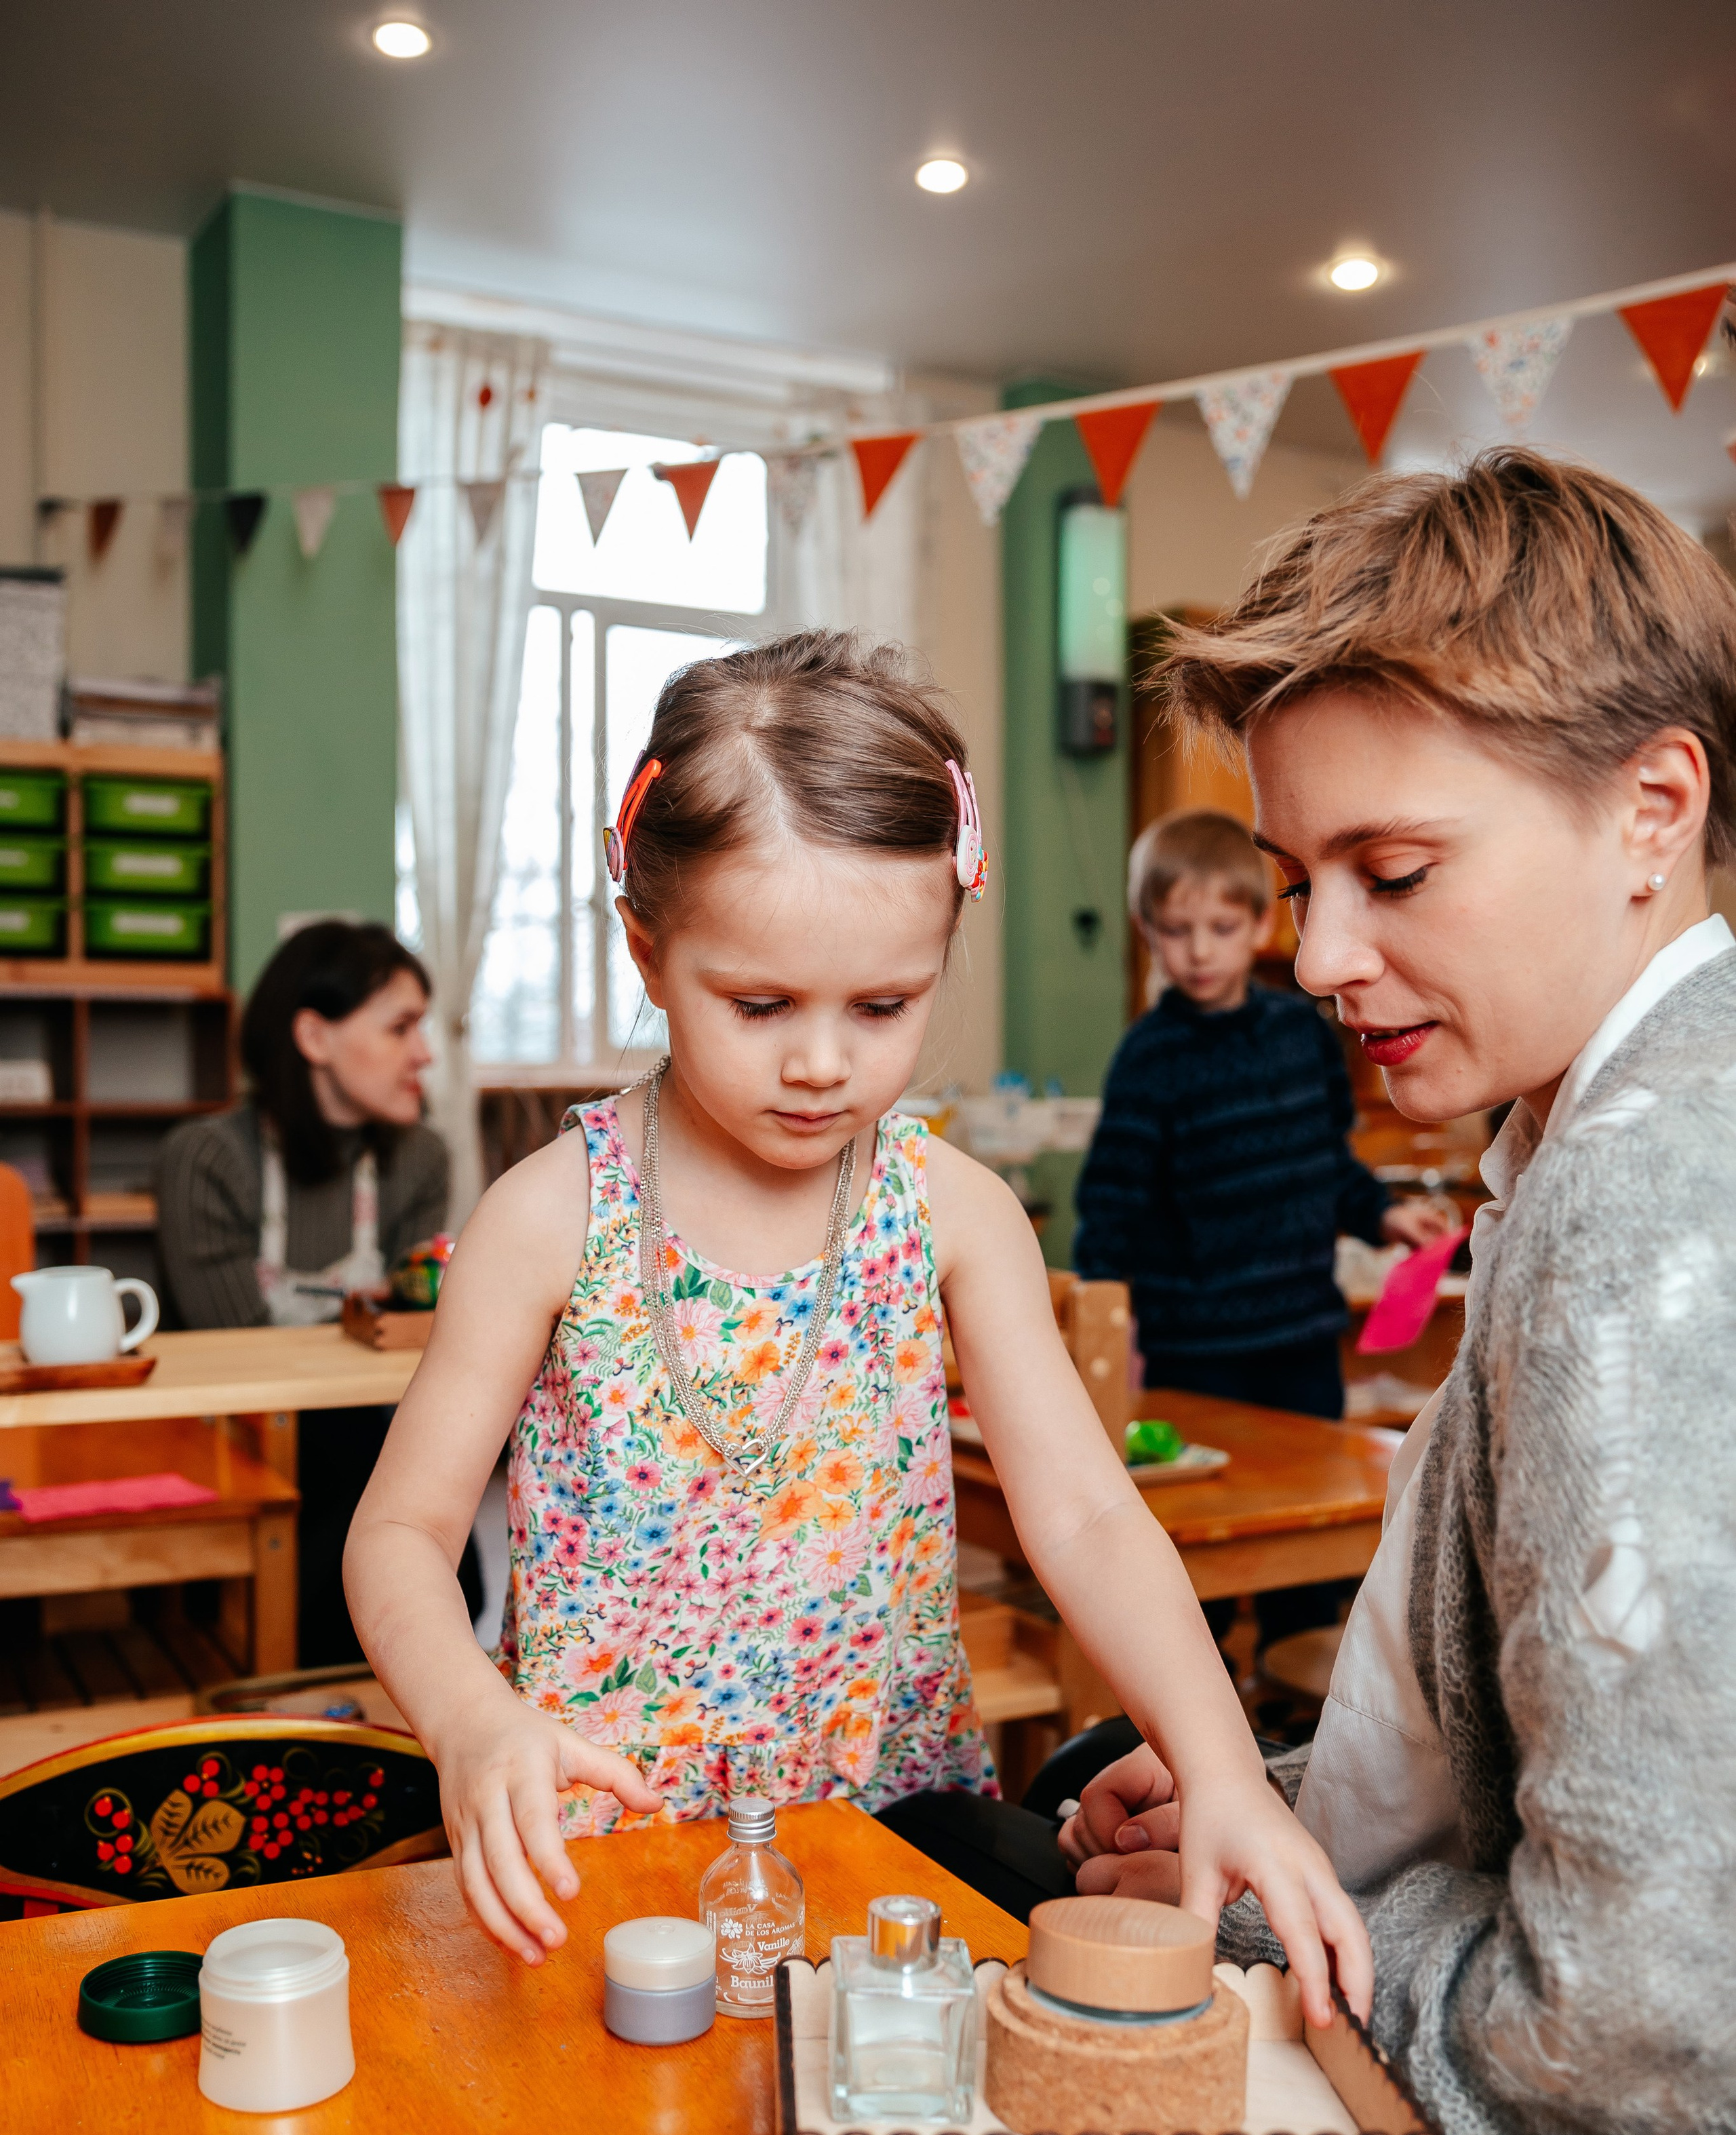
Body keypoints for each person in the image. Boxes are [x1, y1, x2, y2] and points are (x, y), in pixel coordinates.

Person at [343, 631, 1368, 2030]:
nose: (824, 1060)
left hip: (883, 1855)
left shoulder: (949, 1212)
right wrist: (469, 1720)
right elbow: (396, 1535)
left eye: (883, 1006)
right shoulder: (550, 1217)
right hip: (603, 1850)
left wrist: (1227, 1769)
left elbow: (1082, 1518)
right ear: (648, 946)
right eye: (758, 1005)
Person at [1065, 450, 1736, 2135]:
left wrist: (1305, 1922)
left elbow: (1651, 2025)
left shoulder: (1641, 1205)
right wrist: (1274, 1797)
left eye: (1397, 873)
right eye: (1294, 885)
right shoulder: (1580, 1132)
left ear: (1651, 808)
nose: (1318, 956)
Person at [1073, 806, 1453, 1647]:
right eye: (1176, 931)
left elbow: (1325, 1165)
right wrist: (1104, 1332)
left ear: (1261, 921)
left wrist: (1384, 1214)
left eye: (1220, 925)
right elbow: (1111, 1210)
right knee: (1192, 1564)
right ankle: (1193, 1732)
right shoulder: (1149, 1058)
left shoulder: (1302, 1035)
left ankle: (1291, 1728)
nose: (1199, 950)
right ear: (1148, 934)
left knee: (1305, 1567)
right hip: (1189, 1360)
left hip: (1299, 1347)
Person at [157, 919, 470, 1665]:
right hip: (246, 1443)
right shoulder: (204, 1159)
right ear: (314, 1036)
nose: (425, 1054)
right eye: (401, 1027)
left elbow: (413, 1340)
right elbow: (240, 1358)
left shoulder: (419, 1159)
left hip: (370, 1436)